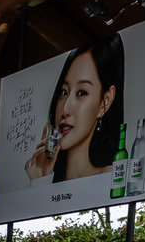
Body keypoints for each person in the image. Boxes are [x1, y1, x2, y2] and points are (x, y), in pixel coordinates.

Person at [23, 34, 124, 184]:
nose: (65, 110)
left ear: (105, 102)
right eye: (64, 92)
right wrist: (40, 181)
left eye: (81, 92)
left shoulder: (111, 178)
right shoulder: (42, 175)